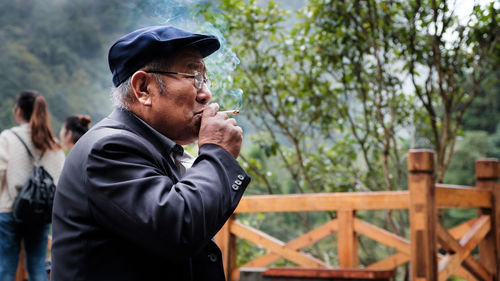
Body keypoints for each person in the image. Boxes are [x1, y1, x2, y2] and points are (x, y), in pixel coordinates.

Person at [51, 26, 250, 281]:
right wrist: (217, 152)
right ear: (143, 88)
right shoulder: (109, 148)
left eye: (205, 79)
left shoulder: (152, 147)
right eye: (193, 76)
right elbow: (180, 227)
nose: (205, 93)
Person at [0, 90, 65, 281]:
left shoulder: (7, 137)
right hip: (40, 214)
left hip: (9, 211)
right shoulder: (52, 142)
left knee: (6, 267)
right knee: (37, 265)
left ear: (19, 111)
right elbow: (60, 179)